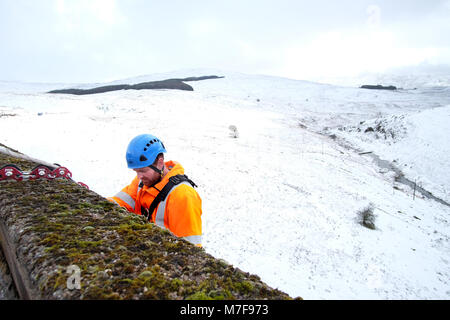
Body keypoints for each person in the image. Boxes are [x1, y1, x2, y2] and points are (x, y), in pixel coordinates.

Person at [108, 134, 202, 246]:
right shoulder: (142, 182)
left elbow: (190, 248)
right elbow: (118, 203)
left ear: (160, 163)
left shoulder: (183, 196)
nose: (139, 177)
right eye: (136, 171)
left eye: (142, 171)